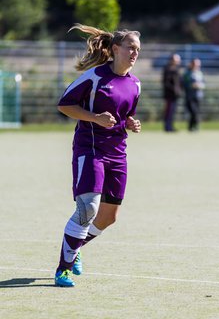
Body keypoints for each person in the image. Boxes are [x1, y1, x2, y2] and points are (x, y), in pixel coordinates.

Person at [55, 24, 142, 287]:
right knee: (88, 208)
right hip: (90, 149)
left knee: (108, 217)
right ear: (115, 49)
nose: (134, 53)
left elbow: (124, 115)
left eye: (137, 49)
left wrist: (130, 123)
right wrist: (94, 118)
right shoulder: (94, 77)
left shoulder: (135, 84)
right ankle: (63, 269)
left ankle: (76, 247)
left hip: (118, 154)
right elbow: (64, 105)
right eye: (130, 47)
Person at [182, 58, 205, 131]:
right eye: (195, 64)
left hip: (198, 95)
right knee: (193, 112)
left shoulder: (200, 73)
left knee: (197, 112)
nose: (197, 66)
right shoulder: (187, 73)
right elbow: (184, 84)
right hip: (189, 96)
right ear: (192, 64)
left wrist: (200, 85)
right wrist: (192, 85)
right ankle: (192, 126)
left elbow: (203, 83)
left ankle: (193, 127)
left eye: (198, 64)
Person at [162, 53, 182, 132]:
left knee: (173, 111)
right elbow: (166, 82)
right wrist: (174, 89)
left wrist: (179, 89)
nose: (178, 62)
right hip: (169, 95)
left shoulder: (177, 69)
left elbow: (179, 81)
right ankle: (167, 127)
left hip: (175, 95)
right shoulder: (167, 69)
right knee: (168, 111)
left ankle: (170, 126)